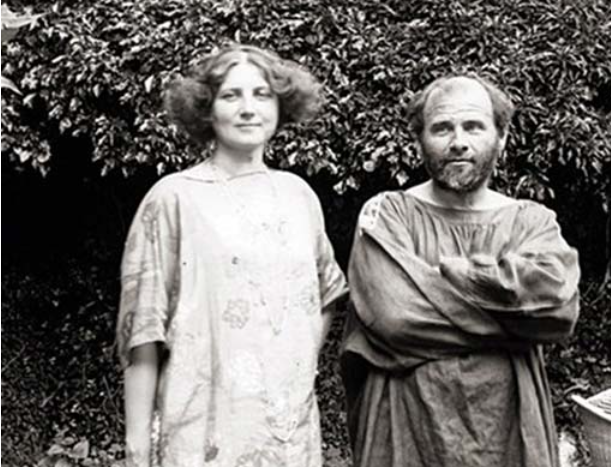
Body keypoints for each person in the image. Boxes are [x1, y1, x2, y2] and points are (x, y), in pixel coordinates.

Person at [117, 44, 347, 467]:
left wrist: (294, 367)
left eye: (261, 95)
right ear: (206, 109)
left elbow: (326, 292)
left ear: (280, 105)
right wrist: (136, 446)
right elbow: (142, 331)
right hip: (199, 433)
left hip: (288, 436)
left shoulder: (298, 196)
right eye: (230, 95)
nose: (248, 109)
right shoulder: (173, 198)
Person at [341, 75, 580, 467]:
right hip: (406, 430)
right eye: (442, 128)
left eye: (473, 126)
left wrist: (447, 278)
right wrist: (511, 317)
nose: (458, 141)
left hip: (509, 431)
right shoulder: (387, 214)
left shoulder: (532, 221)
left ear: (501, 138)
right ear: (418, 140)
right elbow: (395, 317)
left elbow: (556, 308)